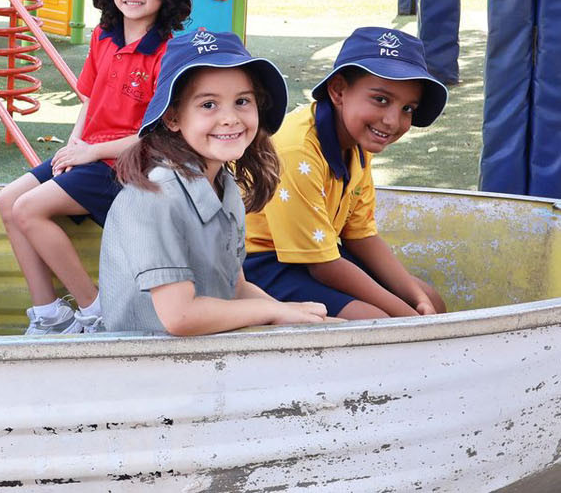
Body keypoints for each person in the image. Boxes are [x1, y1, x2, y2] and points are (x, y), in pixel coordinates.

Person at [0, 0, 191, 335]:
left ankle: (96, 309)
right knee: (7, 200)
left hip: (128, 162)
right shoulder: (103, 37)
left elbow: (157, 134)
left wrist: (90, 153)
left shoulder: (167, 53)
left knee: (28, 209)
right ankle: (49, 314)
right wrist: (74, 145)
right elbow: (90, 100)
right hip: (91, 150)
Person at [96, 28, 329, 334]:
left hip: (211, 346)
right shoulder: (157, 197)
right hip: (148, 356)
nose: (230, 118)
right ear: (173, 118)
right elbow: (180, 317)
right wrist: (272, 310)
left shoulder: (223, 184)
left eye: (242, 101)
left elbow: (234, 288)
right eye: (208, 105)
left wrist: (289, 313)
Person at [243, 26, 449, 320]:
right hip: (261, 264)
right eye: (381, 99)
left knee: (431, 300)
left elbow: (360, 235)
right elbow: (323, 267)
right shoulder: (297, 151)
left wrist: (416, 298)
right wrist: (408, 317)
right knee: (373, 320)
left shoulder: (359, 141)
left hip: (320, 254)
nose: (392, 121)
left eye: (407, 108)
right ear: (338, 91)